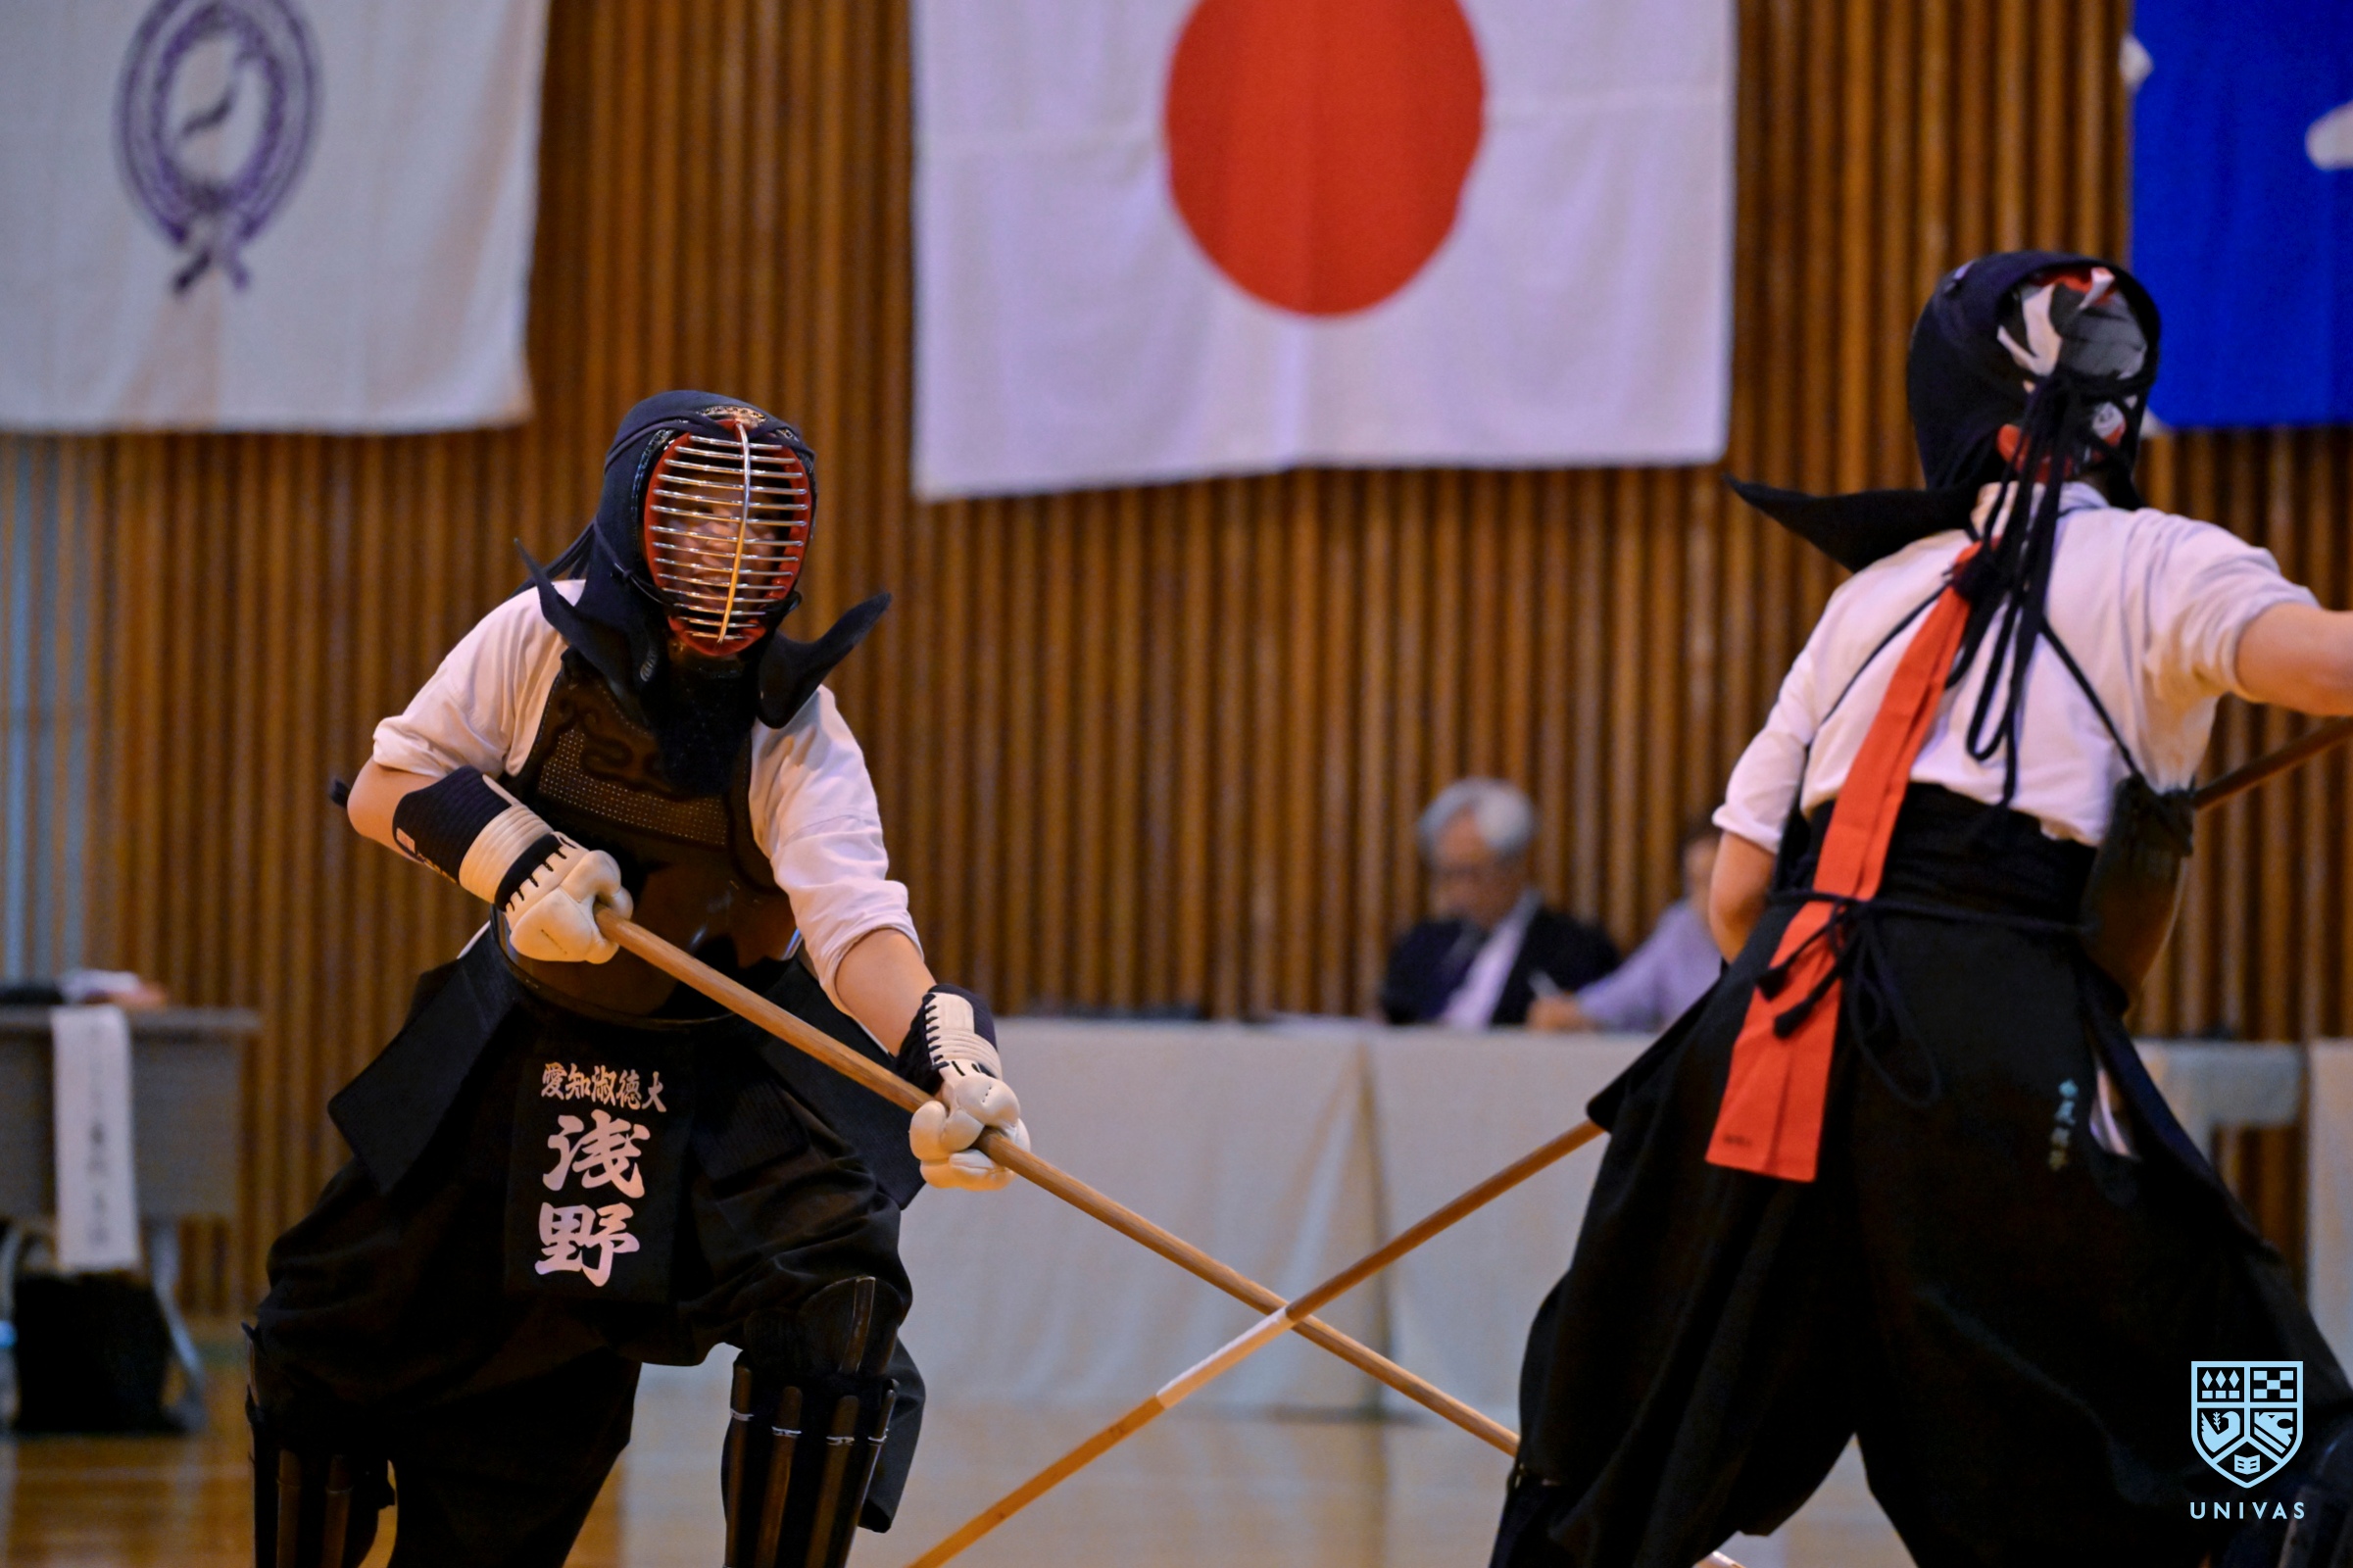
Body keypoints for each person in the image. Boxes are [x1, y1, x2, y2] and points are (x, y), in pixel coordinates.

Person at [1494, 255, 2353, 1568]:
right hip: (1988, 1043)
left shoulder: (1866, 596)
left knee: (1615, 1445)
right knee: (2245, 1416)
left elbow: (1738, 893)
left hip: (1757, 1046)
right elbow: (2333, 667)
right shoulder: (2163, 562)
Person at [245, 392, 1028, 1568]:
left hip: (715, 1077)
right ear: (633, 517)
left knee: (835, 1293)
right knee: (316, 1334)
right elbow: (386, 783)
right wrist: (514, 857)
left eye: (758, 530)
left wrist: (945, 1048)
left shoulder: (796, 725)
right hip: (519, 1047)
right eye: (702, 519)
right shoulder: (531, 640)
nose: (730, 554)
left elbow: (854, 921)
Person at [1379, 778, 1618, 1028]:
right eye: (1447, 874)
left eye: (1469, 874)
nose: (1457, 891)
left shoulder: (1576, 951)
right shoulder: (1421, 944)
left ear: (1513, 867)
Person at [1528, 821, 1722, 1034]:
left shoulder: (1753, 942)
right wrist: (1574, 1011)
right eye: (1694, 882)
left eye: (1714, 881)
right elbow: (1623, 996)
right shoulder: (1683, 926)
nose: (1703, 898)